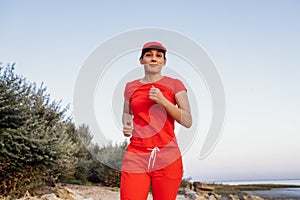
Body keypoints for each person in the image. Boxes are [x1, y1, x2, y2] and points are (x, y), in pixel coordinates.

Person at [120, 41, 192, 200]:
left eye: (158, 56)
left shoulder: (175, 84)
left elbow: (187, 120)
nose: (154, 58)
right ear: (141, 60)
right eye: (149, 55)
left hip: (167, 156)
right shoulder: (130, 87)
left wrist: (164, 101)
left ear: (164, 62)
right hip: (136, 155)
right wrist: (126, 125)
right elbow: (127, 113)